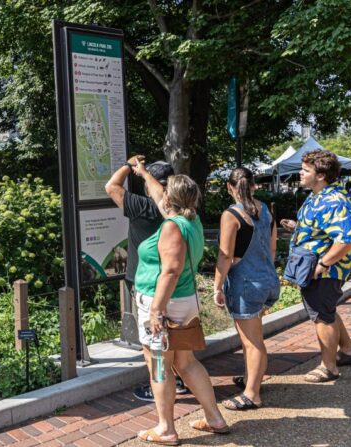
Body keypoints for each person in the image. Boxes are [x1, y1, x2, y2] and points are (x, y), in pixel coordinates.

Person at [131, 161, 228, 445]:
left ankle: (166, 429)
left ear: (170, 200)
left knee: (159, 364)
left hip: (163, 304)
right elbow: (157, 192)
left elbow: (170, 271)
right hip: (186, 302)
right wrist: (143, 172)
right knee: (185, 362)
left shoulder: (172, 227)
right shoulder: (191, 220)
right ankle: (215, 418)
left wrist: (156, 311)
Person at [105, 157, 190, 402]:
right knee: (177, 341)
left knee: (155, 346)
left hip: (147, 285)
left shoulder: (140, 206)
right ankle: (181, 380)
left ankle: (161, 392)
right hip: (179, 283)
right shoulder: (184, 214)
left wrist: (128, 165)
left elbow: (111, 186)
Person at [281, 150, 351, 383]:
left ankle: (329, 367)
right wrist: (298, 226)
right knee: (326, 309)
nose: (300, 173)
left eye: (306, 170)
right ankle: (347, 349)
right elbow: (323, 227)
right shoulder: (319, 195)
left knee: (321, 316)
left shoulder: (334, 200)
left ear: (321, 175)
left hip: (325, 269)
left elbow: (346, 240)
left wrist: (322, 265)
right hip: (316, 265)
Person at [213, 167, 280, 410]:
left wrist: (217, 287)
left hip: (246, 284)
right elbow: (272, 250)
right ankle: (251, 379)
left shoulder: (231, 215)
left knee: (252, 342)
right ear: (253, 185)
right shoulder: (265, 209)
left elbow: (225, 256)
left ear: (229, 187)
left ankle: (252, 394)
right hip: (268, 280)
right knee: (252, 338)